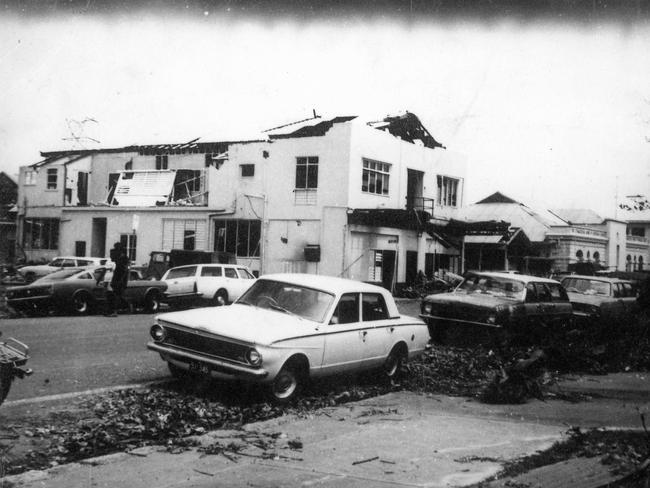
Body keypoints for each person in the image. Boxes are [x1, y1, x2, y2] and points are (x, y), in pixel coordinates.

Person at [106, 242, 129, 317]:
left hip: (119, 281)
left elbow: (122, 272)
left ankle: (114, 311)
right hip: (119, 280)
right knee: (116, 295)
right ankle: (125, 307)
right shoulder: (121, 261)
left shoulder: (121, 261)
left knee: (115, 295)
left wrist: (118, 281)